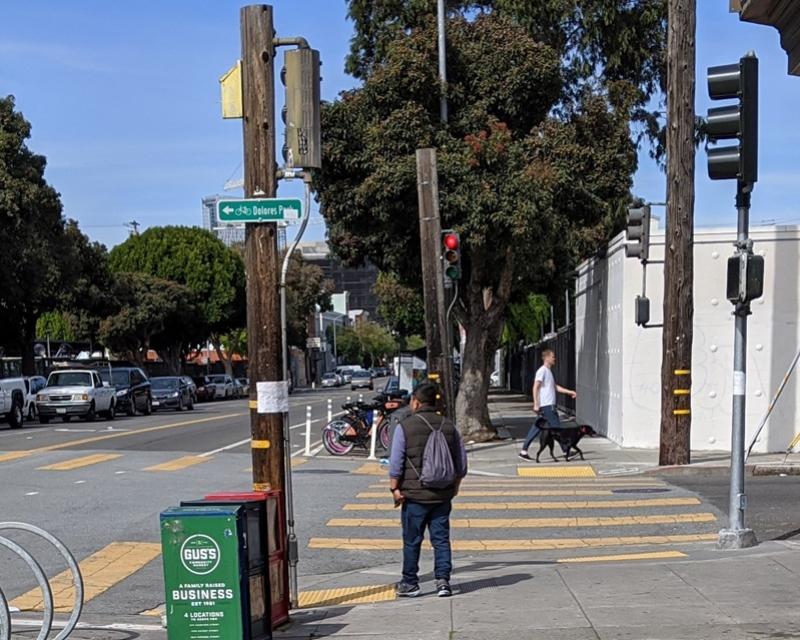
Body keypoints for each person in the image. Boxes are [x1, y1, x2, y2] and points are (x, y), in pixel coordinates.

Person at [389, 382, 468, 598]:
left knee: (412, 540)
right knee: (441, 539)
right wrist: (454, 489)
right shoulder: (449, 426)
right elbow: (461, 464)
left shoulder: (405, 427)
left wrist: (394, 489)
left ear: (416, 401)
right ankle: (443, 582)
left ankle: (410, 582)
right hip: (442, 495)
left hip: (414, 495)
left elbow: (396, 462)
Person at [518, 349, 577, 461]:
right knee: (557, 429)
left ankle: (523, 451)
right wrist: (536, 403)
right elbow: (536, 387)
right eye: (553, 356)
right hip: (547, 406)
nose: (554, 359)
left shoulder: (548, 372)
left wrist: (570, 392)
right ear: (547, 358)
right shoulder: (542, 371)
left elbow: (555, 387)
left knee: (536, 428)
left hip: (547, 406)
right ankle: (566, 451)